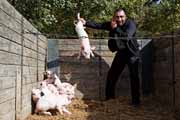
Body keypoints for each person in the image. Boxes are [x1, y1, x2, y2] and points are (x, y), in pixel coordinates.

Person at [80, 8, 141, 105]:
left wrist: (115, 28)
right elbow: (99, 25)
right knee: (112, 75)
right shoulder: (113, 24)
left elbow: (127, 36)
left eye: (121, 17)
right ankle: (110, 100)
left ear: (126, 17)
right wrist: (86, 22)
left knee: (134, 77)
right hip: (121, 53)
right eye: (117, 17)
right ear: (114, 17)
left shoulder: (130, 24)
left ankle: (136, 102)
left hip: (132, 54)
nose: (119, 19)